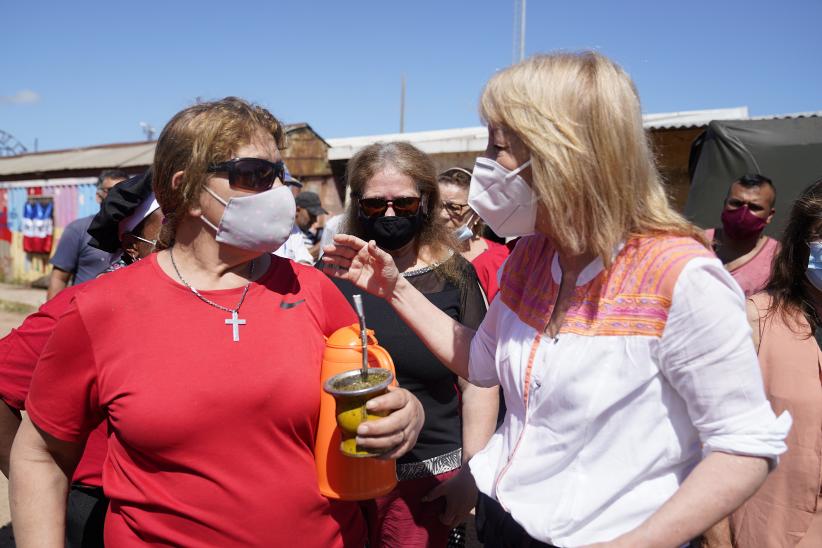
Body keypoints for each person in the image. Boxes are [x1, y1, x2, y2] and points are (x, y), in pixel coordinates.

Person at [322, 52, 791, 547]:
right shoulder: (534, 257)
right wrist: (395, 287)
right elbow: (481, 363)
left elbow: (744, 447)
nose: (485, 165)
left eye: (499, 147)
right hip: (506, 526)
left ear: (564, 154)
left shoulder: (680, 277)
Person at [10, 97, 424, 547]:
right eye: (254, 175)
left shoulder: (315, 290)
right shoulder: (99, 309)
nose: (279, 193)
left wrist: (407, 414)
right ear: (187, 190)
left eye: (278, 175)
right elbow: (41, 456)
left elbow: (374, 396)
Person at [326, 141, 498, 547]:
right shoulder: (333, 272)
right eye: (375, 204)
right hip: (346, 480)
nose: (389, 214)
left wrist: (470, 476)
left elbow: (479, 381)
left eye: (403, 203)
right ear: (357, 205)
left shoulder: (456, 276)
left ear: (425, 202)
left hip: (429, 487)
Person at [0, 170, 162, 547]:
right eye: (169, 234)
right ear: (133, 244)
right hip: (101, 507)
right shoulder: (88, 305)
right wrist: (39, 479)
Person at [703, 178, 822, 548]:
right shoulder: (754, 321)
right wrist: (717, 540)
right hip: (772, 531)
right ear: (802, 246)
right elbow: (709, 441)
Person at [47, 169, 128, 298]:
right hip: (84, 312)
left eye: (123, 191)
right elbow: (59, 279)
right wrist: (52, 316)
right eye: (111, 190)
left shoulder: (139, 231)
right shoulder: (77, 230)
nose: (117, 196)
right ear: (98, 196)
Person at [438, 166, 510, 301]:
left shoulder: (500, 259)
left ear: (477, 213)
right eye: (436, 205)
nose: (442, 215)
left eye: (454, 208)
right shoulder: (418, 254)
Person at [706, 174, 779, 297]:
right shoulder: (696, 242)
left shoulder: (779, 260)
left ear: (770, 215)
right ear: (724, 204)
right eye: (736, 203)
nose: (743, 213)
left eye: (754, 207)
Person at [274, 166, 315, 265]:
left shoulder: (291, 228)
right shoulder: (252, 226)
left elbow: (305, 259)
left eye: (288, 186)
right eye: (283, 185)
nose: (286, 191)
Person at [295, 190, 328, 260]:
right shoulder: (289, 235)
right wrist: (323, 245)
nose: (315, 220)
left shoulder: (309, 235)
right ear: (297, 210)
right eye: (311, 215)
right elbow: (295, 259)